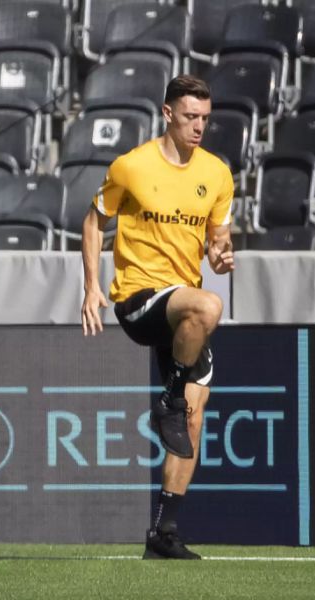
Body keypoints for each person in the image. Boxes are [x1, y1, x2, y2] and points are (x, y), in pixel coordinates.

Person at [80, 75, 235, 560]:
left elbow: (218, 244)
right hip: (139, 298)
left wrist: (222, 256)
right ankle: (167, 401)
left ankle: (163, 533)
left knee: (192, 421)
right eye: (190, 116)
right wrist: (90, 286)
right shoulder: (132, 166)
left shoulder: (218, 174)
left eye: (206, 118)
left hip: (181, 309)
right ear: (167, 114)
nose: (199, 126)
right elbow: (92, 221)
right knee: (209, 306)